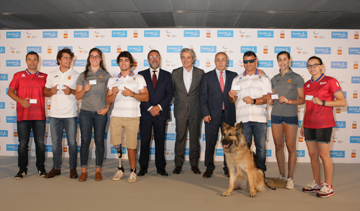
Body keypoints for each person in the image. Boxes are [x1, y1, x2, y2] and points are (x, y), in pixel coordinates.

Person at [300, 56, 345, 198]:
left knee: (324, 155)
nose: (312, 68)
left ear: (321, 66)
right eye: (309, 66)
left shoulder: (331, 81)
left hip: (324, 123)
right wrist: (303, 124)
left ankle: (328, 185)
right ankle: (317, 183)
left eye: (315, 65)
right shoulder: (307, 84)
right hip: (309, 124)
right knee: (312, 155)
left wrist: (323, 102)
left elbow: (342, 102)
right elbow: (307, 106)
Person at [106, 51, 149, 183]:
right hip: (117, 116)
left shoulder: (139, 78)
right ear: (118, 63)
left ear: (131, 63)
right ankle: (120, 168)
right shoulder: (112, 79)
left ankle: (132, 171)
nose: (123, 62)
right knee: (117, 144)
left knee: (131, 146)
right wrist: (113, 94)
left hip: (132, 116)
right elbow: (108, 100)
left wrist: (132, 94)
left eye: (126, 60)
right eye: (121, 60)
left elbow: (146, 97)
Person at [228, 51, 271, 174]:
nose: (248, 64)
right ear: (243, 62)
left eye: (251, 61)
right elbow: (233, 100)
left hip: (260, 119)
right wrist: (231, 96)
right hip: (242, 120)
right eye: (246, 61)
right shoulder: (237, 79)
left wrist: (253, 101)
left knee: (261, 148)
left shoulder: (264, 78)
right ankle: (244, 174)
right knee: (243, 149)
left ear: (256, 61)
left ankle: (260, 173)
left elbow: (267, 98)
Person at [267, 51, 305, 189]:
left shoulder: (297, 78)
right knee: (278, 146)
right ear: (277, 61)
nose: (282, 62)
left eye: (284, 59)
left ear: (289, 60)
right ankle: (282, 175)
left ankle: (290, 178)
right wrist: (270, 100)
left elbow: (302, 99)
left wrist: (288, 101)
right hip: (276, 114)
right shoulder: (274, 78)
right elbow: (272, 96)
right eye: (279, 60)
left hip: (290, 116)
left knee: (291, 147)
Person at [8, 51, 47, 179]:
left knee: (40, 143)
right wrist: (20, 100)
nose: (32, 62)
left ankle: (41, 168)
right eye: (29, 59)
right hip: (23, 116)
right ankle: (22, 169)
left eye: (34, 59)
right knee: (23, 143)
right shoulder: (18, 75)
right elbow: (10, 91)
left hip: (39, 116)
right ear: (26, 61)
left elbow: (50, 91)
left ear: (38, 61)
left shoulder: (44, 76)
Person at [75, 48, 111, 182]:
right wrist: (84, 89)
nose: (94, 59)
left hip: (101, 113)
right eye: (92, 56)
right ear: (89, 58)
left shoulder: (106, 75)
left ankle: (98, 170)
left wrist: (107, 107)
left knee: (99, 141)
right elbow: (77, 95)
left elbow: (110, 95)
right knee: (85, 141)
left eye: (97, 56)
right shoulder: (83, 75)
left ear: (101, 59)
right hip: (85, 112)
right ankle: (83, 171)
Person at [43, 48, 79, 179]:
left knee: (72, 143)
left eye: (70, 58)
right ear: (59, 60)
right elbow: (45, 92)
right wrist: (51, 91)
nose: (68, 60)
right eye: (66, 58)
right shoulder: (52, 74)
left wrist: (72, 91)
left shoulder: (76, 74)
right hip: (54, 115)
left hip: (70, 114)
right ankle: (56, 168)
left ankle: (73, 169)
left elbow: (80, 93)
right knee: (56, 143)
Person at [200, 52, 237, 178]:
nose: (221, 62)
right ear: (214, 62)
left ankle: (228, 167)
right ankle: (209, 167)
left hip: (228, 115)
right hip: (211, 115)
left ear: (227, 62)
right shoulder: (207, 76)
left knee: (229, 144)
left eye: (223, 60)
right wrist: (205, 113)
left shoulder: (234, 76)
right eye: (218, 60)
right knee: (210, 143)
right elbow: (203, 97)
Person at [138, 50, 173, 177]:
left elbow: (170, 94)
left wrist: (158, 107)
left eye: (156, 57)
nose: (154, 59)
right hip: (145, 114)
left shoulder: (167, 75)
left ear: (160, 59)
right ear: (148, 60)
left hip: (161, 114)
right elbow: (139, 95)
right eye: (151, 57)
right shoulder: (140, 75)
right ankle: (143, 167)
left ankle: (161, 167)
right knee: (145, 141)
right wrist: (149, 108)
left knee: (160, 141)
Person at [172, 48, 204, 174]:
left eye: (188, 57)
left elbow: (203, 93)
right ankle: (178, 164)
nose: (186, 60)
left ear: (193, 59)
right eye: (183, 57)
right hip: (180, 111)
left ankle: (194, 164)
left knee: (195, 138)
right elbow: (172, 91)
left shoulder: (201, 73)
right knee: (180, 137)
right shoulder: (175, 73)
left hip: (196, 111)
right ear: (181, 59)